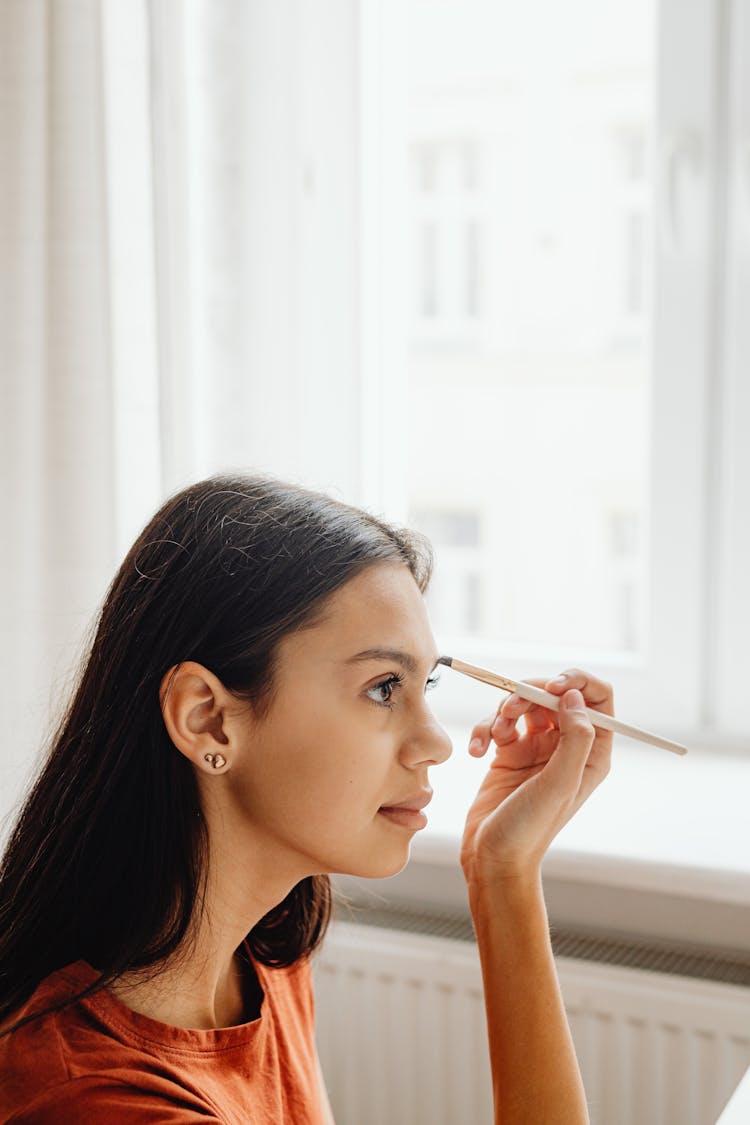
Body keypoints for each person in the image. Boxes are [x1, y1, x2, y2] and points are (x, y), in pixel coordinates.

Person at [0, 472, 613, 1124]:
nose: (435, 742)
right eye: (383, 686)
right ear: (207, 718)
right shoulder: (98, 1099)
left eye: (424, 684)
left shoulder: (263, 958)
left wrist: (503, 868)